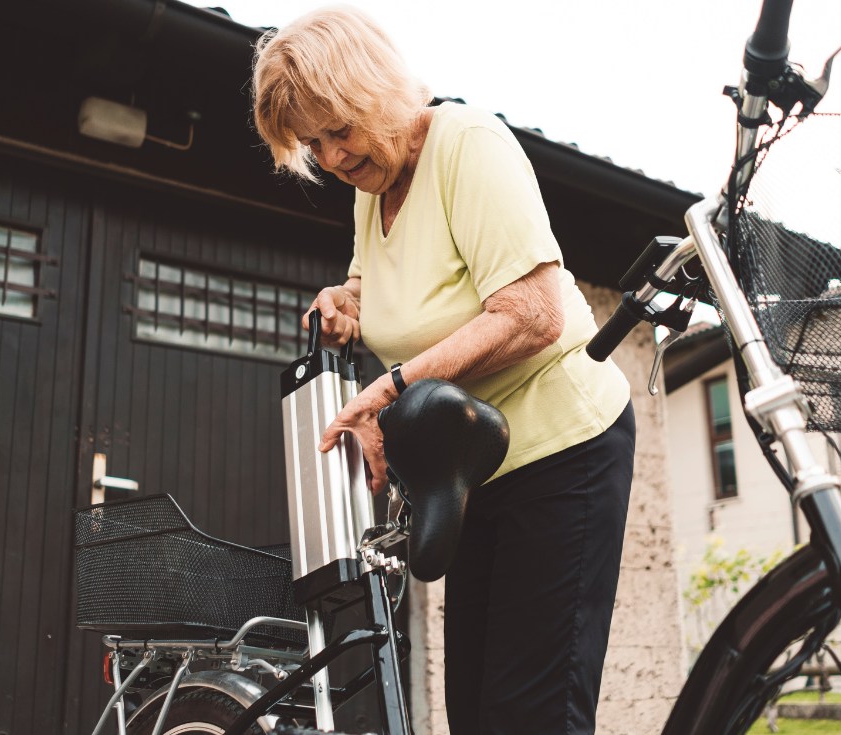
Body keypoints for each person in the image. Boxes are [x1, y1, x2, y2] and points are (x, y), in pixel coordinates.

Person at [251, 7, 635, 734]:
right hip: (474, 470)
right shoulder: (373, 189)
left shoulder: (468, 145)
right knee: (475, 714)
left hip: (565, 452)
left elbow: (532, 312)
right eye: (313, 143)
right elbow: (380, 286)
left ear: (375, 90)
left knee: (532, 714)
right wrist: (345, 301)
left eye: (339, 129)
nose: (332, 157)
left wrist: (391, 389)